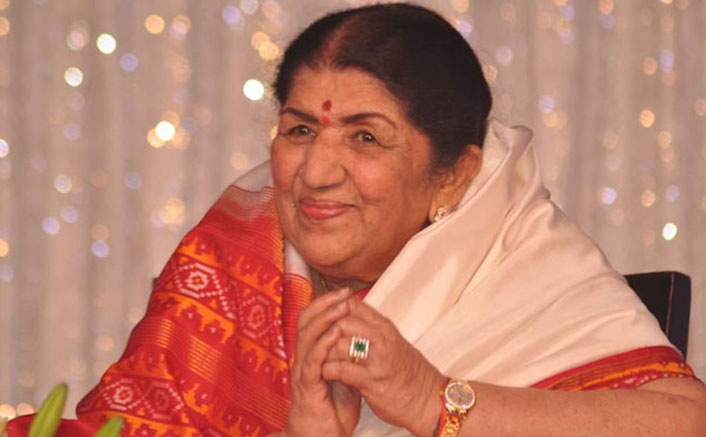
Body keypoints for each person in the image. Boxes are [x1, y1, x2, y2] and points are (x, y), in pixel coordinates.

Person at [7, 3, 705, 437]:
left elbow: (683, 419)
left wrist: (433, 400)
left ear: (454, 174)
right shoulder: (238, 249)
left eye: (365, 137)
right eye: (299, 129)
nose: (315, 172)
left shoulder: (516, 253)